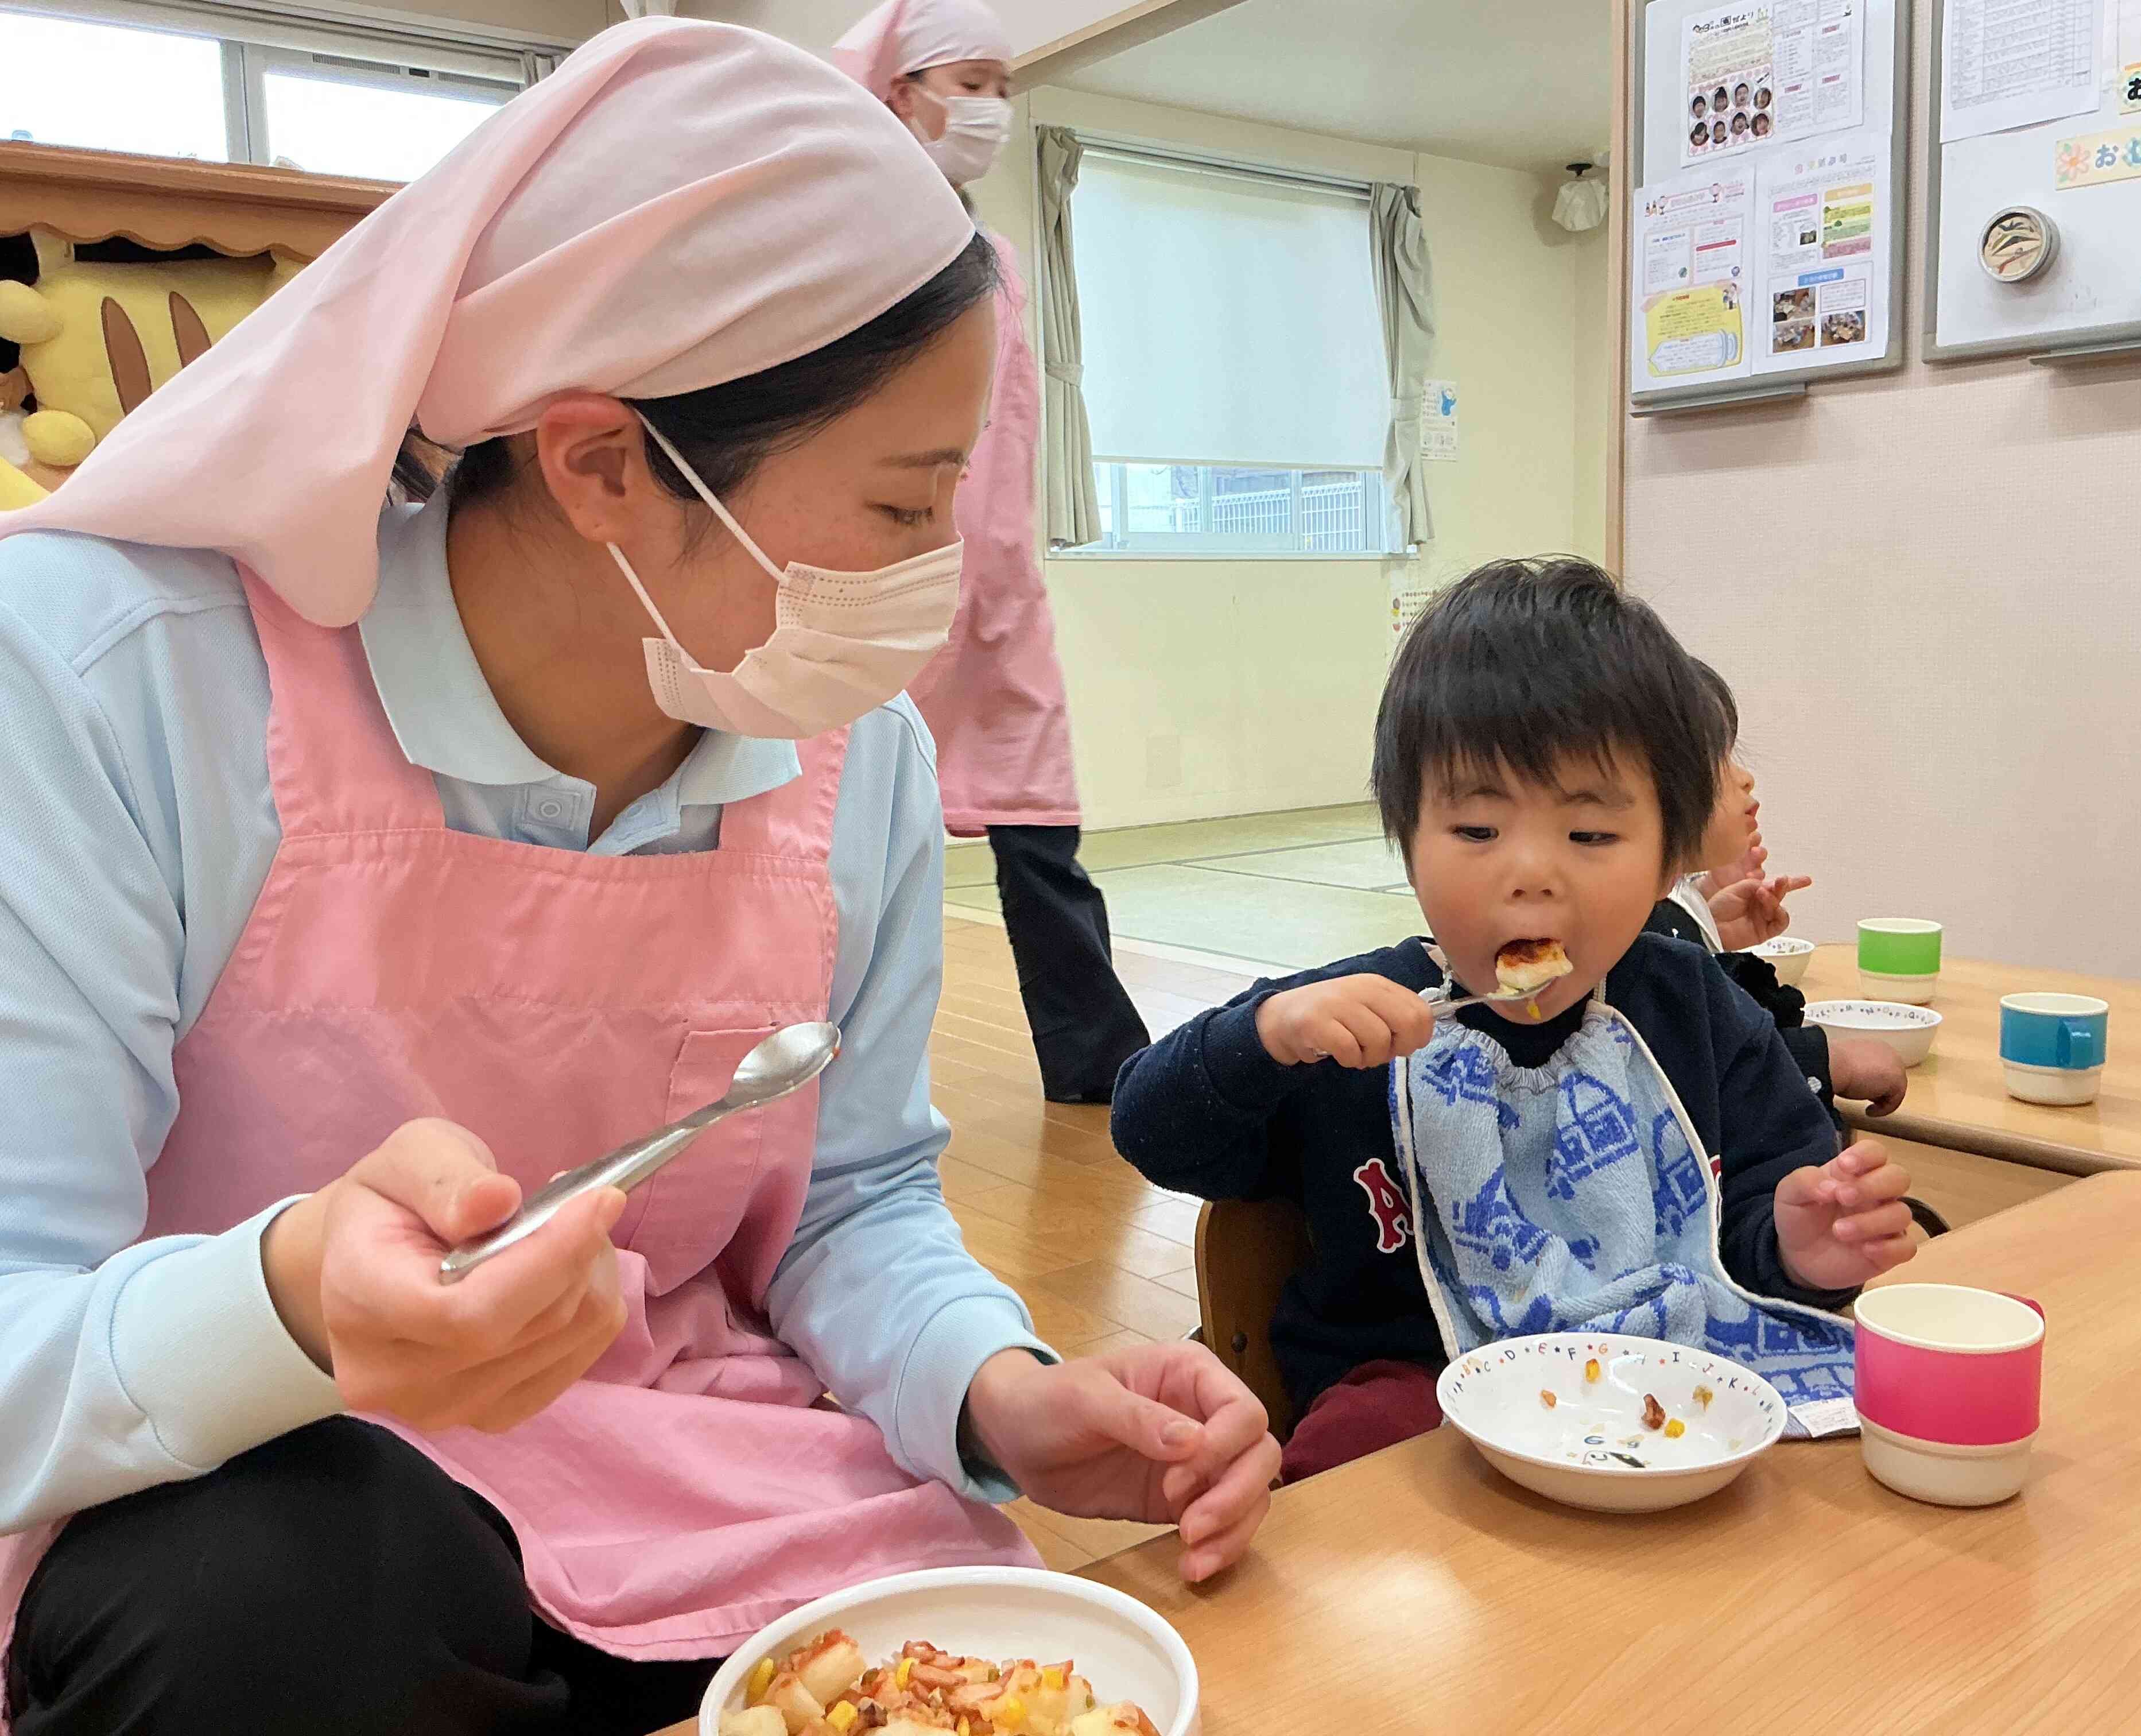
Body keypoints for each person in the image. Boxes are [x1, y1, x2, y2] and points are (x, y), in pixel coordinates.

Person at [0, 24, 1277, 1735]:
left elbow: (849, 1199)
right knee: (280, 1590)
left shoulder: (852, 755)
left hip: (693, 1477)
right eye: (903, 507)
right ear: (603, 460)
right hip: (262, 1502)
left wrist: (997, 1388)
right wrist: (289, 1301)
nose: (933, 578)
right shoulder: (119, 682)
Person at [1110, 558, 1917, 1485]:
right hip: (1419, 1383)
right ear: (1406, 836)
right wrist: (1263, 1035)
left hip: (1667, 1379)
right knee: (1350, 1456)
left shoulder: (1696, 1005)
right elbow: (1152, 1132)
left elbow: (1752, 1230)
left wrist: (1799, 1246)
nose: (1529, 872)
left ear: (1668, 859)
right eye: (1476, 829)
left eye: (1590, 835)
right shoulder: (1350, 1023)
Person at [834, 0, 1150, 1105]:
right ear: (896, 94)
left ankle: (1101, 1061)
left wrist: (1007, 561)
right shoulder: (846, 233)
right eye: (967, 83)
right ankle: (842, 1066)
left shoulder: (1002, 257)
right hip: (868, 570)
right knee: (856, 825)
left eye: (1002, 88)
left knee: (1037, 823)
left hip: (998, 581)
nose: (990, 110)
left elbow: (1011, 431)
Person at [1650, 661, 1907, 1122]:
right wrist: (1831, 1062)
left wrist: (1708, 929)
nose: (1745, 777)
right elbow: (1692, 1060)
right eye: (1718, 759)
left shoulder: (1663, 913)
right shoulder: (1634, 932)